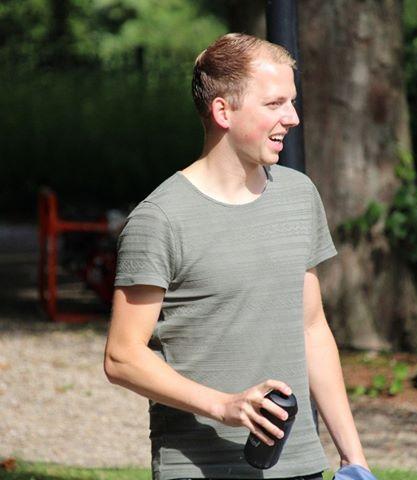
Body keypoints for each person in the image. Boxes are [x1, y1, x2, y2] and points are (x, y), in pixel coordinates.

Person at [104, 33, 370, 480]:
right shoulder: (160, 219)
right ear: (223, 111)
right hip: (200, 468)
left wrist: (353, 457)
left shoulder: (299, 196)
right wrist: (224, 406)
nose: (293, 117)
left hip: (301, 465)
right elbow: (122, 357)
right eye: (275, 103)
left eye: (291, 102)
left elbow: (311, 328)